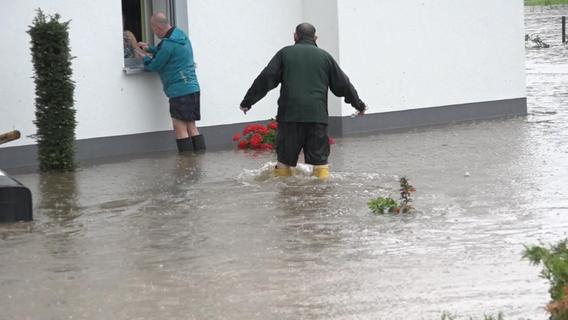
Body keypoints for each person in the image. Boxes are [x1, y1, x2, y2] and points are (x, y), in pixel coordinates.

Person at [239, 23, 366, 179]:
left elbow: (266, 78)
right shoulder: (325, 57)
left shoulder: (285, 54)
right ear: (315, 38)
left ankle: (287, 196)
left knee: (285, 161)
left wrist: (247, 101)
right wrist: (358, 105)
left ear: (295, 36)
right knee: (320, 163)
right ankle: (322, 197)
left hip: (289, 117)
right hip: (317, 117)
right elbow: (343, 84)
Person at [136, 12, 205, 153]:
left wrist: (143, 57)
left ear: (158, 27)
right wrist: (150, 49)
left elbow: (154, 66)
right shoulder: (181, 36)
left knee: (180, 128)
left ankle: (187, 166)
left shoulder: (168, 44)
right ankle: (199, 161)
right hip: (192, 88)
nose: (154, 33)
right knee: (191, 126)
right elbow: (167, 52)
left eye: (153, 29)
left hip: (179, 91)